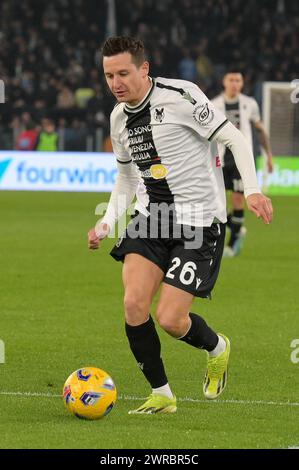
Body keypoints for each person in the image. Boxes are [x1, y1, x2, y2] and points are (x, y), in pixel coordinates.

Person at [88, 37, 273, 414]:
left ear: (144, 69)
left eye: (123, 72)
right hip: (151, 219)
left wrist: (251, 191)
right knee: (133, 304)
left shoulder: (181, 95)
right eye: (109, 75)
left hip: (199, 222)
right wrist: (107, 221)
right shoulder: (118, 118)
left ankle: (217, 348)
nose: (116, 82)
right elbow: (126, 178)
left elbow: (234, 137)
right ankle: (162, 394)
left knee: (171, 319)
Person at [212, 71, 273, 257]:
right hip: (220, 160)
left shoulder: (249, 104)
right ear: (224, 82)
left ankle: (231, 245)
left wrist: (269, 155)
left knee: (238, 201)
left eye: (238, 80)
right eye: (231, 79)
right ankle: (237, 229)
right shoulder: (213, 105)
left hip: (241, 161)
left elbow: (260, 130)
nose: (234, 83)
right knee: (217, 204)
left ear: (242, 82)